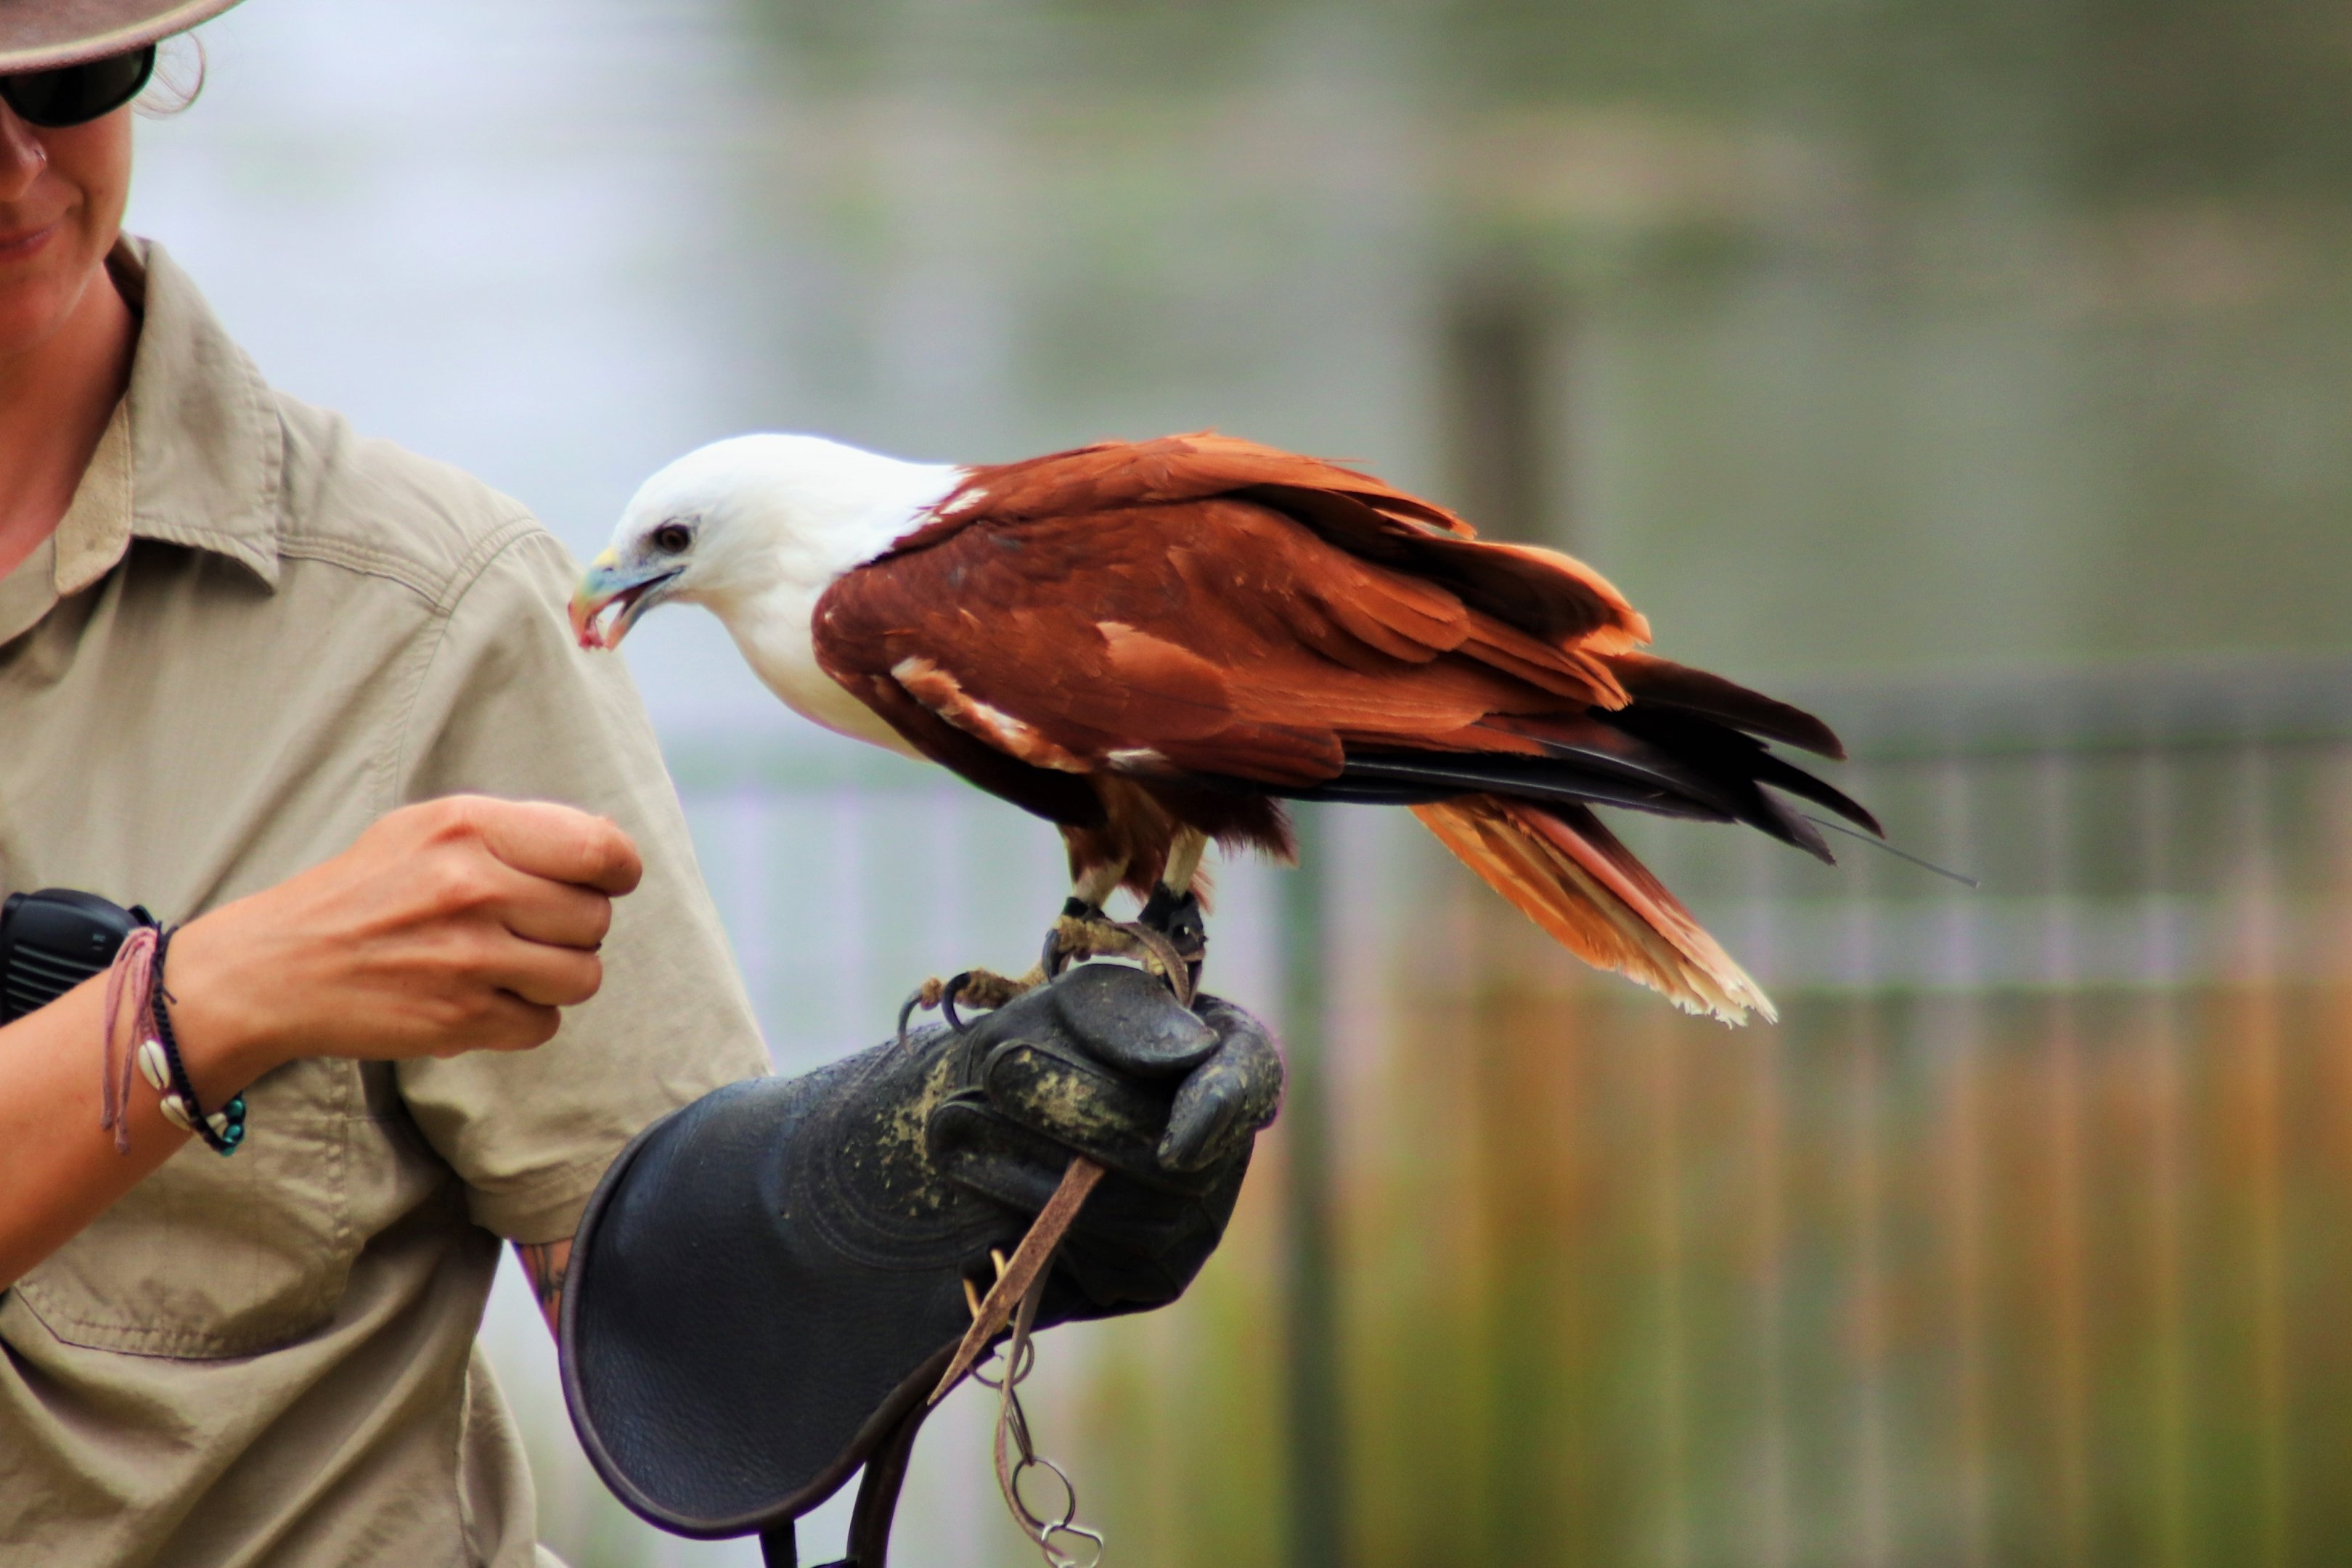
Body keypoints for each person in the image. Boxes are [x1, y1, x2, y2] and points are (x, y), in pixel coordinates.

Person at [0, 7, 1279, 1565]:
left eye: (62, 76)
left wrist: (935, 1186)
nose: (15, 160)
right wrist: (209, 1001)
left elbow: (683, 1311)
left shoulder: (435, 611)